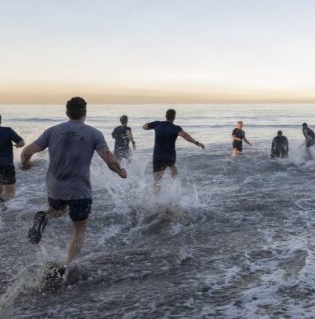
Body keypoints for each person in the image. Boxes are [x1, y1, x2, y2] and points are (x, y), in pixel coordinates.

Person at [19, 97, 127, 269]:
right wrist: (120, 171)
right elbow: (108, 158)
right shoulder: (94, 133)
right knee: (79, 229)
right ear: (85, 113)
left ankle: (44, 217)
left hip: (54, 186)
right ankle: (67, 265)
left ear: (67, 113)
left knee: (58, 210)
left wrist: (25, 164)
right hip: (79, 189)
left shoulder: (52, 131)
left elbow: (26, 151)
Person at [143, 109, 204, 191]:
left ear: (165, 116)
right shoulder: (175, 128)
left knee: (157, 179)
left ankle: (157, 196)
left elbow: (145, 127)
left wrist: (149, 125)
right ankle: (176, 188)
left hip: (158, 156)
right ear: (174, 117)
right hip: (170, 156)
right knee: (173, 168)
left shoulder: (157, 124)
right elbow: (184, 135)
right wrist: (196, 143)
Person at [0, 114, 25, 206]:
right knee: (9, 193)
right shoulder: (7, 131)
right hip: (6, 166)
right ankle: (4, 210)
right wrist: (18, 145)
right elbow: (21, 142)